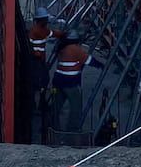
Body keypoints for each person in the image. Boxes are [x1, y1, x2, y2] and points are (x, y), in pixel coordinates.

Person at [51, 31, 99, 134]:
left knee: (56, 105)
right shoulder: (75, 49)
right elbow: (90, 61)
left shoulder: (61, 48)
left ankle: (53, 126)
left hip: (58, 81)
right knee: (76, 107)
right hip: (70, 83)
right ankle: (72, 130)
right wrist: (102, 65)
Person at [27, 8, 63, 141]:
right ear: (41, 20)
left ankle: (39, 100)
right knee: (41, 81)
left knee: (43, 80)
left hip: (39, 59)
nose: (47, 21)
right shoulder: (38, 30)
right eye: (45, 19)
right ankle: (38, 102)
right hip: (36, 60)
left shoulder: (39, 29)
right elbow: (50, 33)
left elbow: (52, 33)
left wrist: (60, 34)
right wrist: (63, 35)